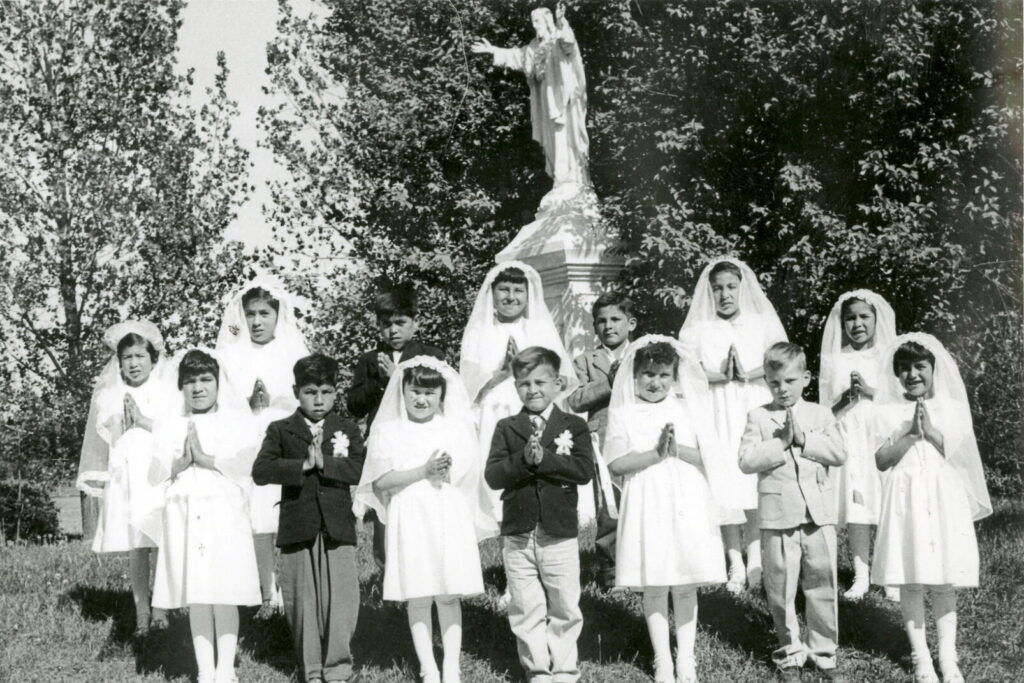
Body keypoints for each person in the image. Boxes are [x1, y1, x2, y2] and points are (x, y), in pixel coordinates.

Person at [355, 357, 495, 683]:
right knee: (418, 593)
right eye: (415, 391)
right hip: (410, 515)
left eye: (430, 393)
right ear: (402, 391)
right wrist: (423, 471)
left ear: (441, 395)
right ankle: (428, 666)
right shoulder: (389, 430)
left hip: (446, 513)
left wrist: (444, 473)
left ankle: (451, 666)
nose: (421, 399)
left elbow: (464, 475)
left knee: (448, 592)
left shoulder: (452, 429)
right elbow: (381, 482)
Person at [603, 336, 727, 683]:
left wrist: (676, 450)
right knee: (655, 582)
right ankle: (662, 660)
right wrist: (656, 454)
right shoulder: (624, 412)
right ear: (634, 375)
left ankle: (686, 658)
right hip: (647, 499)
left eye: (663, 375)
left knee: (685, 582)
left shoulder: (688, 409)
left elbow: (710, 458)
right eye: (647, 374)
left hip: (685, 496)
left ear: (674, 376)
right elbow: (617, 463)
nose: (655, 382)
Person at [871, 334, 991, 683]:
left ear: (933, 369)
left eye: (920, 367)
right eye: (904, 369)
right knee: (911, 577)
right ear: (896, 375)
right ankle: (920, 656)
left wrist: (931, 431)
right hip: (905, 495)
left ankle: (947, 657)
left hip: (942, 495)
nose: (912, 375)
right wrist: (909, 433)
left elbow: (958, 455)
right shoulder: (886, 410)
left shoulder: (950, 408)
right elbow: (881, 460)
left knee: (943, 579)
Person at [252, 353, 366, 683]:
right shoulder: (281, 429)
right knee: (301, 599)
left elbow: (359, 467)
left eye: (327, 391)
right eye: (310, 391)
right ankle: (311, 670)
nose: (319, 400)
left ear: (337, 391)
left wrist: (325, 464)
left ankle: (338, 668)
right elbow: (261, 471)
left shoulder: (345, 428)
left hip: (337, 526)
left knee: (341, 599)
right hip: (297, 524)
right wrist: (300, 466)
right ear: (296, 391)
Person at [484, 346, 594, 683]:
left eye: (540, 382)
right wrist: (523, 461)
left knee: (564, 603)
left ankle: (563, 668)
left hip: (558, 530)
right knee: (525, 604)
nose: (533, 390)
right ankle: (537, 670)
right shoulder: (507, 426)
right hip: (518, 530)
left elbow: (583, 469)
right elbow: (493, 475)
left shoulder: (572, 425)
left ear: (558, 383)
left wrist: (544, 460)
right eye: (524, 383)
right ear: (515, 386)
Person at [151, 349, 261, 683]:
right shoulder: (171, 423)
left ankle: (226, 669)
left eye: (205, 380)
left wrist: (205, 457)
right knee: (198, 593)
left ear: (217, 383)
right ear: (180, 387)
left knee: (224, 591)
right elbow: (155, 473)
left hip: (224, 510)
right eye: (190, 382)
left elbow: (248, 467)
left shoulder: (236, 422)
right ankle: (205, 670)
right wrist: (181, 464)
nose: (198, 388)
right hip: (186, 509)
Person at [739, 342, 846, 682]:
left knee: (823, 582)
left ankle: (824, 652)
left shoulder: (821, 414)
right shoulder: (757, 416)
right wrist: (780, 443)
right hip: (778, 516)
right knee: (781, 588)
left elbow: (838, 453)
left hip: (818, 516)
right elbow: (746, 461)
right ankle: (790, 653)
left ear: (806, 378)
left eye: (789, 381)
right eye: (774, 383)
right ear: (766, 382)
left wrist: (803, 440)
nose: (782, 389)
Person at [679, 257, 788, 593]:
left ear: (742, 288)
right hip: (717, 408)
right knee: (723, 480)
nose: (724, 294)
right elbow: (685, 370)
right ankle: (734, 562)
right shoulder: (698, 328)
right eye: (717, 289)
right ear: (709, 293)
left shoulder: (762, 321)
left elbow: (781, 361)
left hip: (752, 403)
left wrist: (749, 372)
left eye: (730, 287)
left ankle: (755, 559)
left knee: (753, 478)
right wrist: (717, 375)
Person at [216, 276, 311, 615]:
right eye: (251, 314)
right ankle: (266, 592)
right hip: (245, 441)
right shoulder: (229, 356)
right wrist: (245, 401)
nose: (257, 322)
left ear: (277, 315)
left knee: (281, 515)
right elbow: (219, 402)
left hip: (283, 441)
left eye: (264, 314)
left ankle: (291, 592)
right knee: (255, 520)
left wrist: (276, 399)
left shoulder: (293, 352)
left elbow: (308, 400)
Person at [460, 262, 578, 526]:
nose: (511, 297)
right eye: (504, 290)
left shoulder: (537, 329)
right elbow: (467, 388)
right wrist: (503, 372)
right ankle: (498, 511)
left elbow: (558, 375)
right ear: (492, 293)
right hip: (495, 404)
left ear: (528, 295)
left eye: (518, 290)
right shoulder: (480, 331)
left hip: (534, 400)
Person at [76, 320, 175, 633]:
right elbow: (109, 440)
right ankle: (141, 612)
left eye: (139, 356)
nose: (133, 363)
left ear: (152, 359)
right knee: (137, 547)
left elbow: (174, 433)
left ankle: (161, 610)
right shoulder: (110, 396)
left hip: (157, 475)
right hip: (129, 478)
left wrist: (145, 421)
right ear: (118, 363)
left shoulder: (165, 392)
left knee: (161, 542)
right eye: (127, 358)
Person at [347, 284, 445, 570]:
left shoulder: (430, 355)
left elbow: (443, 400)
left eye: (400, 322)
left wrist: (398, 379)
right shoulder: (369, 360)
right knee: (385, 511)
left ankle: (426, 570)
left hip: (421, 442)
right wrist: (379, 382)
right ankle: (387, 574)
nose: (393, 330)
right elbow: (354, 405)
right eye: (386, 324)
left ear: (415, 322)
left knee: (422, 505)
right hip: (385, 444)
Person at [818, 290, 897, 600]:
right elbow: (827, 411)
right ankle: (861, 574)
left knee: (887, 503)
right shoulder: (837, 359)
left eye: (864, 316)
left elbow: (899, 399)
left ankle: (890, 573)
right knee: (857, 506)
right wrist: (846, 400)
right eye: (850, 318)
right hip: (850, 438)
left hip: (881, 437)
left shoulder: (889, 356)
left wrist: (869, 390)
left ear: (876, 319)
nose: (857, 323)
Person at [470, 2, 589, 188]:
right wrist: (492, 50)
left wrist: (561, 21)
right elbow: (517, 56)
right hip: (544, 101)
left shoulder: (558, 39)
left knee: (563, 136)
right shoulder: (533, 47)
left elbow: (569, 43)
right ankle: (560, 180)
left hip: (561, 100)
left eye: (537, 21)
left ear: (547, 21)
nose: (534, 25)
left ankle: (570, 179)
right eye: (533, 22)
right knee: (550, 140)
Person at [566, 291, 636, 588]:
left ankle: (643, 568)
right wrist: (608, 381)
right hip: (604, 439)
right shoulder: (586, 361)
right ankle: (611, 572)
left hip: (640, 435)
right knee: (610, 503)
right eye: (601, 321)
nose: (609, 326)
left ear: (631, 323)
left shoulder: (642, 353)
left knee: (643, 499)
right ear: (595, 327)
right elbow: (575, 399)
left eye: (616, 319)